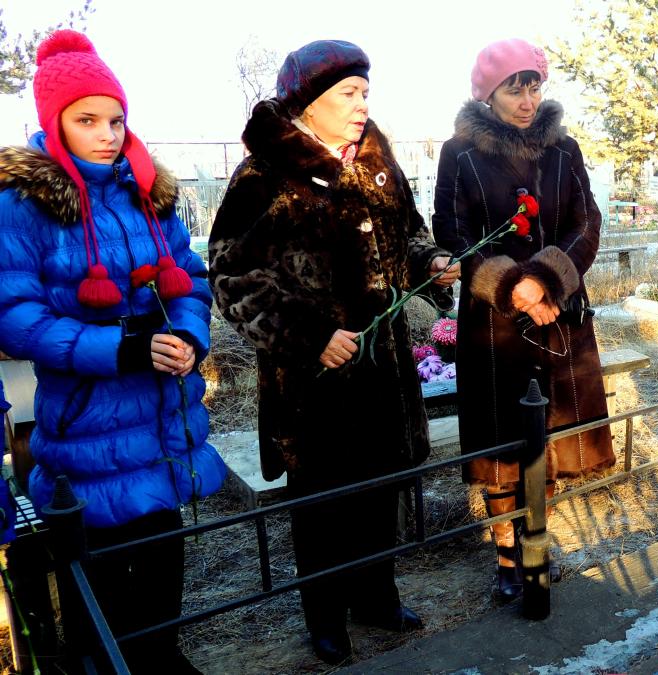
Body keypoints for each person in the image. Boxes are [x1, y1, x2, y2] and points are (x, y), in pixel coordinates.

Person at [208, 40, 456, 666]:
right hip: (313, 382)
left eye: (365, 91)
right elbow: (232, 277)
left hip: (384, 368)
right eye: (348, 92)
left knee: (379, 490)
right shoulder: (265, 174)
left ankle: (375, 596)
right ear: (308, 102)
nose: (361, 103)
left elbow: (409, 233)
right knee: (322, 504)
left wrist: (430, 262)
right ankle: (325, 618)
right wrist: (311, 336)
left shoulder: (375, 159)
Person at [0, 30, 226, 673]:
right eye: (87, 120)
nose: (107, 134)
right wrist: (120, 348)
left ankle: (162, 654)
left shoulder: (147, 192)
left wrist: (189, 337)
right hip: (89, 423)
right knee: (96, 569)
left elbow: (191, 277)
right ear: (55, 123)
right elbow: (15, 318)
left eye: (116, 120)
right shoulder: (23, 206)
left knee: (162, 549)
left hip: (160, 417)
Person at [432, 38, 615, 602]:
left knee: (550, 439)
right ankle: (507, 556)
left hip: (558, 316)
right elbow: (452, 232)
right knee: (501, 451)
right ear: (488, 94)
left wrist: (547, 278)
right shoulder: (460, 154)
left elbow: (587, 224)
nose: (527, 100)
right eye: (515, 89)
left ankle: (538, 541)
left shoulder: (565, 150)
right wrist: (515, 287)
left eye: (534, 86)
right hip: (496, 326)